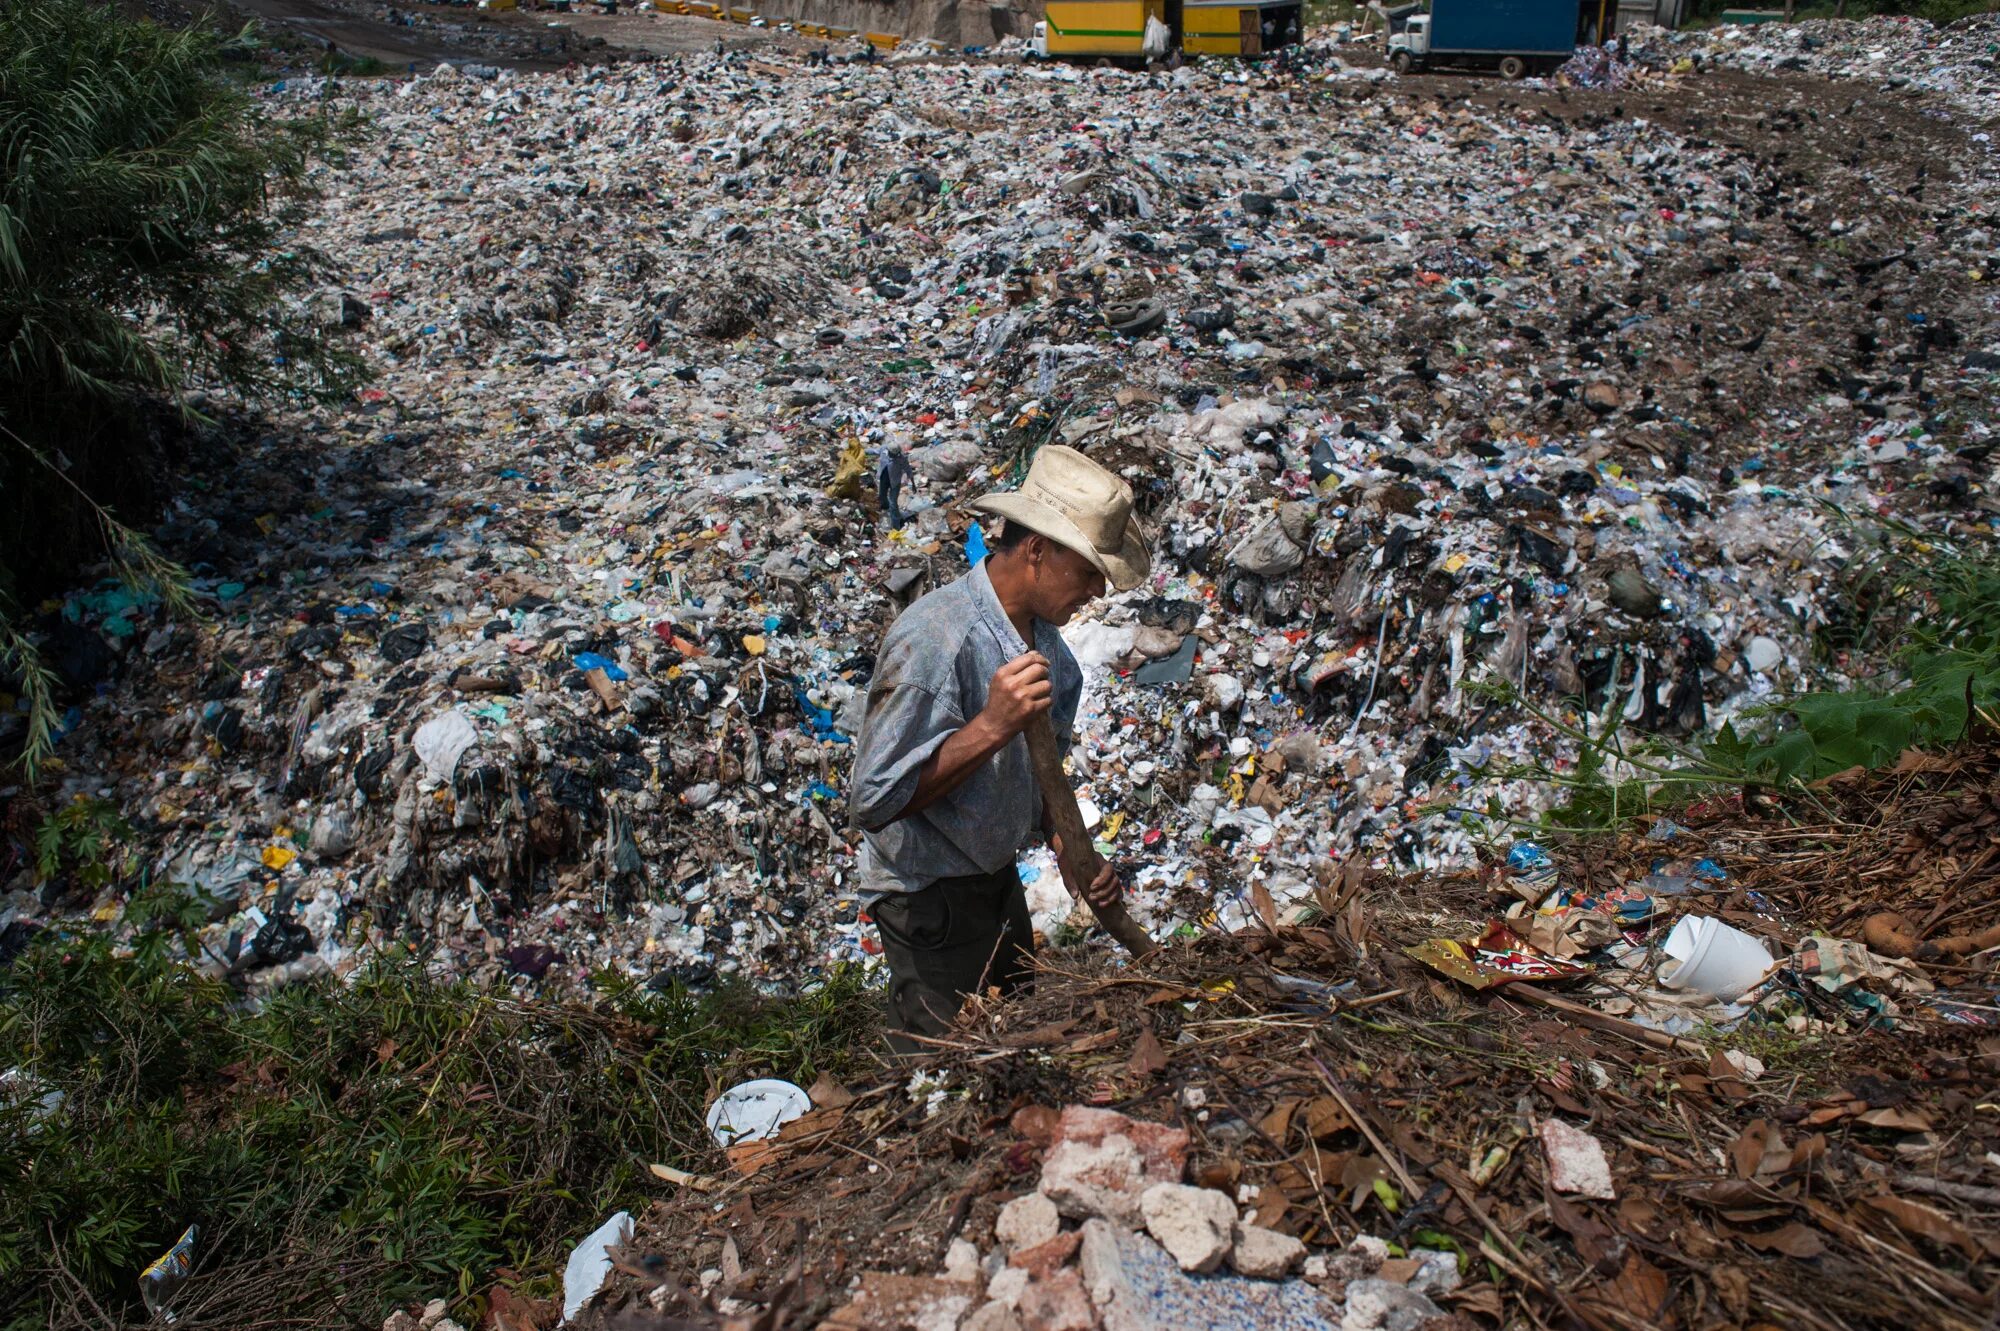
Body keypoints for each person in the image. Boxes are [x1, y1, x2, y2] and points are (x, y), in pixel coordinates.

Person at [849, 446, 1151, 1046]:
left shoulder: (1053, 656)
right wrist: (991, 725)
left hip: (996, 880)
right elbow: (873, 799)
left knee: (1013, 1042)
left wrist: (1070, 848)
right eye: (1089, 572)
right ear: (1037, 550)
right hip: (926, 898)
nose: (1096, 592)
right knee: (940, 1069)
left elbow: (1043, 776)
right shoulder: (937, 639)